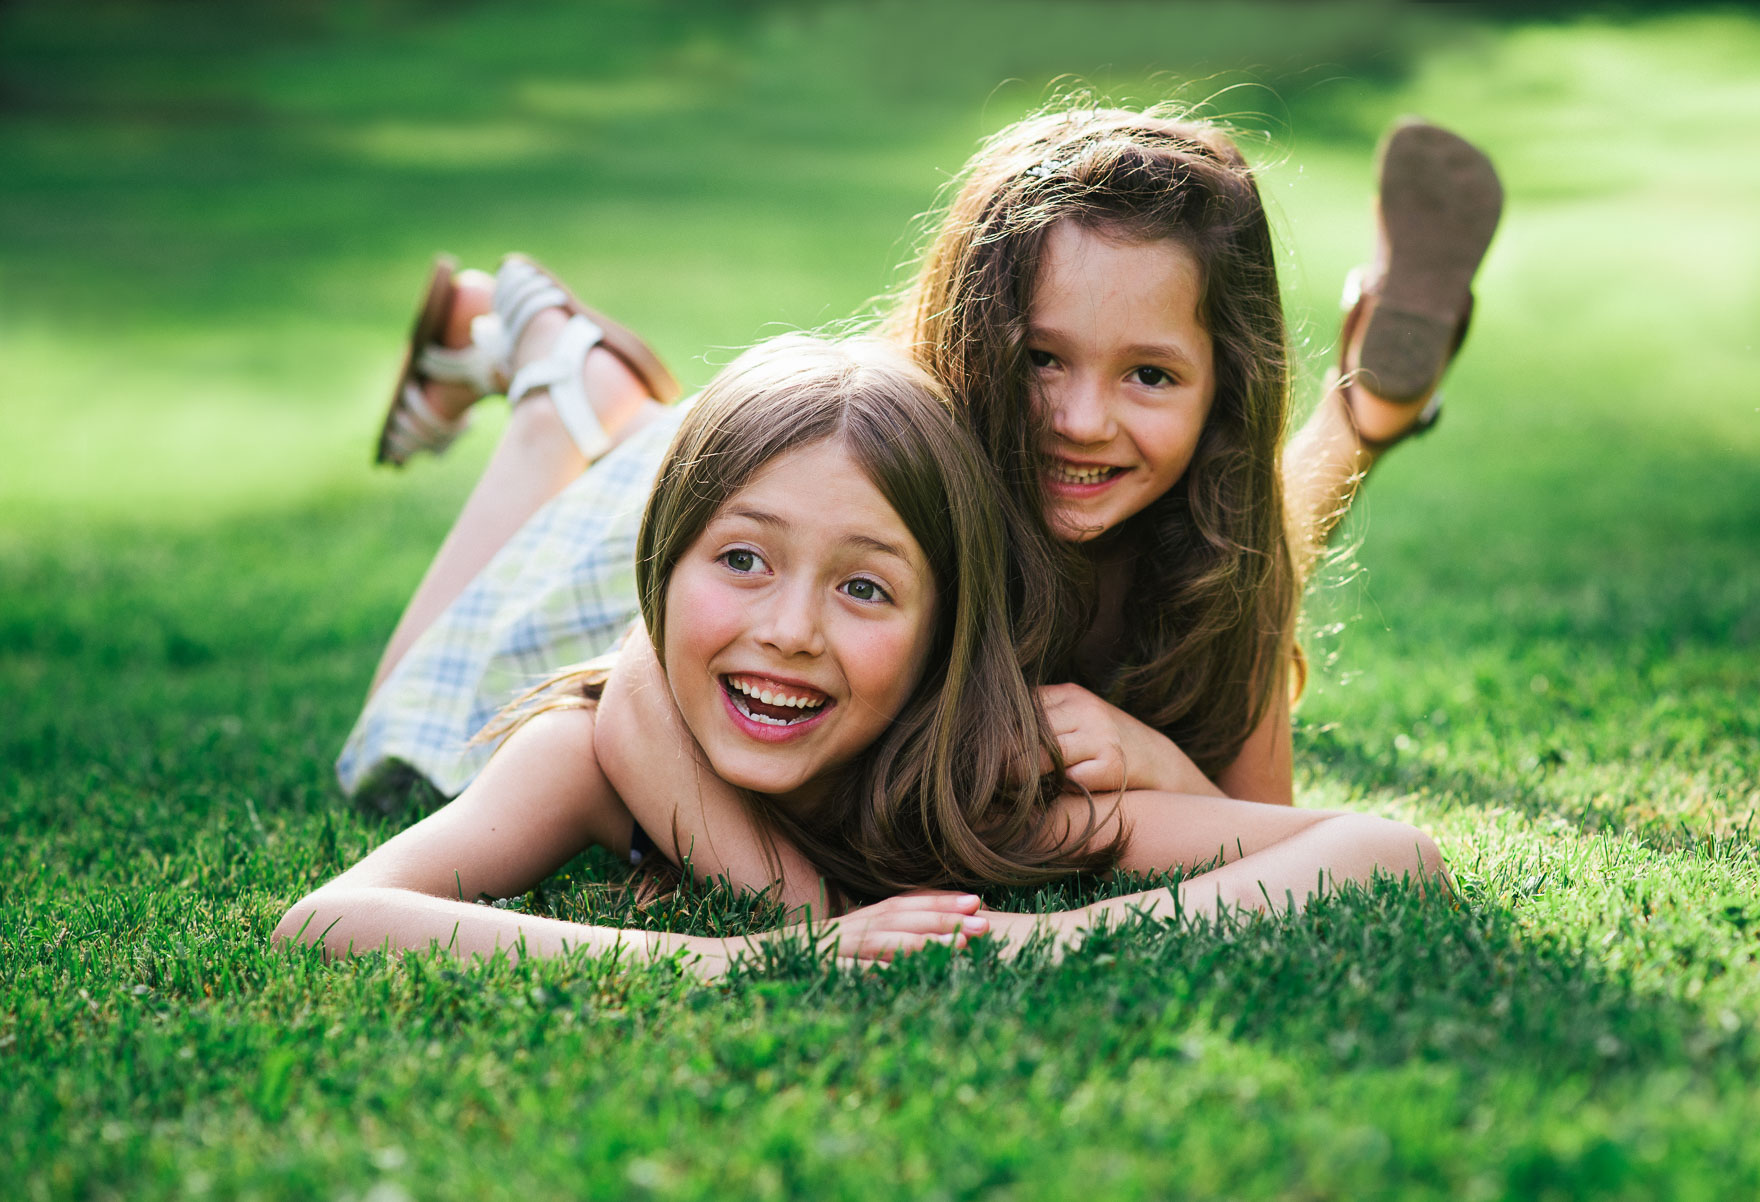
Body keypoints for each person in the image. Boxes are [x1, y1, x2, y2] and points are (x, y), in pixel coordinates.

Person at [342, 105, 1492, 921]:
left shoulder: (1203, 553)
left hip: (778, 603)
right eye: (1043, 358)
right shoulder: (903, 461)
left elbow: (1265, 829)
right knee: (410, 711)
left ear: (1219, 391)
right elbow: (641, 681)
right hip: (664, 566)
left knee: (1225, 552)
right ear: (978, 337)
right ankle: (551, 371)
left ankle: (1368, 410)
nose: (1083, 419)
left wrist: (1154, 764)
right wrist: (802, 921)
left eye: (1150, 376)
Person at [277, 334, 1119, 976]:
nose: (793, 631)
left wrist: (1032, 935)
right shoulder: (573, 755)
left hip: (698, 607)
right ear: (658, 569)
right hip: (483, 678)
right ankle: (554, 390)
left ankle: (597, 396)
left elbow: (1258, 856)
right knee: (402, 713)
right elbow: (328, 918)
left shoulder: (962, 777)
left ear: (944, 630)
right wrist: (738, 959)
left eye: (865, 588)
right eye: (742, 560)